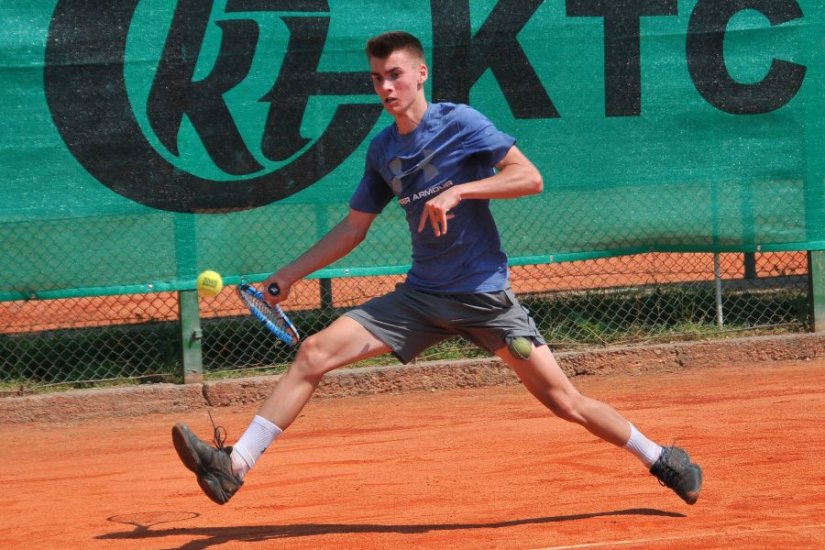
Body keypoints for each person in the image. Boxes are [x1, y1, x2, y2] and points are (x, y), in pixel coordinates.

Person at [172, 31, 702, 507]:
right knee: (314, 352)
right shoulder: (383, 150)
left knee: (566, 402)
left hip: (484, 298)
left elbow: (529, 177)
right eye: (377, 78)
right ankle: (234, 466)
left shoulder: (462, 123)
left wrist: (460, 190)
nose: (386, 87)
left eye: (395, 75)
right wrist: (289, 274)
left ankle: (662, 458)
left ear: (420, 73)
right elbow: (353, 229)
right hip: (420, 299)